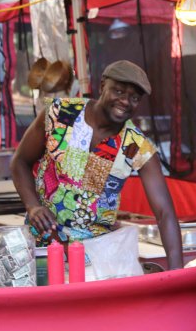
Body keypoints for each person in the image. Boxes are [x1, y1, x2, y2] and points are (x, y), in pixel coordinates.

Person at [11, 60, 183, 270]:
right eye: (118, 91)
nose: (125, 101)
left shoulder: (135, 144)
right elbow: (20, 161)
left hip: (95, 259)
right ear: (102, 86)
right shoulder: (60, 114)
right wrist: (32, 206)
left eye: (134, 98)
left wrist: (176, 275)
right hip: (42, 246)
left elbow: (165, 213)